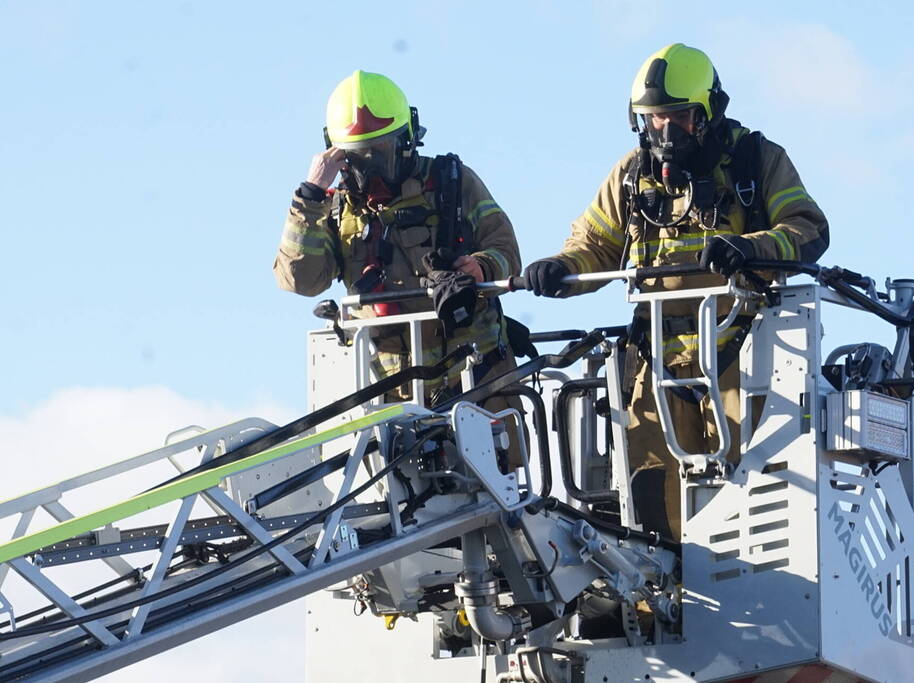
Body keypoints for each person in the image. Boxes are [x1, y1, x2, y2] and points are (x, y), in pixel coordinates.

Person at [522, 44, 829, 540]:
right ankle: (658, 590)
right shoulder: (631, 174)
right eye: (654, 119)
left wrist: (749, 248)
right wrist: (561, 267)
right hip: (654, 361)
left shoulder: (756, 161)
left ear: (709, 112)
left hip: (741, 356)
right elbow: (595, 244)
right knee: (652, 507)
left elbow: (808, 228)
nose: (666, 131)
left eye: (680, 118)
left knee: (747, 496)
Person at [274, 69, 523, 412]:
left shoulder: (452, 183)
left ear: (407, 141)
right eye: (358, 157)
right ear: (335, 155)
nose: (371, 170)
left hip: (477, 383)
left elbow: (507, 251)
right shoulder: (330, 209)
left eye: (381, 153)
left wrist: (481, 268)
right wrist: (310, 196)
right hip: (386, 398)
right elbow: (300, 280)